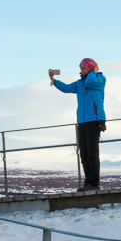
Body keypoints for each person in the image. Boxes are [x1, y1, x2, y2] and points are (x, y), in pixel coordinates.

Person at [49, 59, 107, 190]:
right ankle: (88, 181)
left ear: (91, 69)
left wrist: (94, 71)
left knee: (92, 152)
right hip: (82, 121)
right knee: (84, 153)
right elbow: (67, 88)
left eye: (84, 69)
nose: (81, 71)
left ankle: (94, 182)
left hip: (94, 120)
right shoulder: (80, 83)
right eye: (81, 69)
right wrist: (54, 81)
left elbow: (90, 81)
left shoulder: (99, 79)